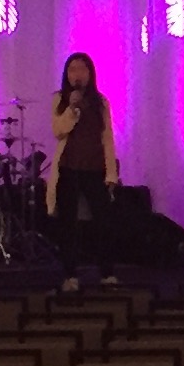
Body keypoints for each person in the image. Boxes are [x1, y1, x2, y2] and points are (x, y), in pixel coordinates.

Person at [49, 52, 119, 272]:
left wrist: (111, 173)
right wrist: (71, 109)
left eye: (81, 69)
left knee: (103, 222)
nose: (77, 74)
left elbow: (107, 138)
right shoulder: (60, 99)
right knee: (68, 223)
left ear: (90, 73)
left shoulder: (101, 102)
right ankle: (70, 275)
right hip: (68, 167)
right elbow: (58, 131)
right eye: (72, 70)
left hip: (95, 167)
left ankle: (107, 273)